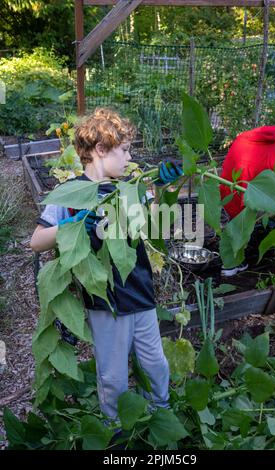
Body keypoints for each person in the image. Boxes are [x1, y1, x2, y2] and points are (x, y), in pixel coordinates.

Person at [30, 108, 183, 432]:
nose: (130, 156)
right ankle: (113, 429)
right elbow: (37, 241)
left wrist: (165, 188)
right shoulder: (70, 194)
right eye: (124, 150)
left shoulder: (128, 188)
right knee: (112, 375)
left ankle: (160, 415)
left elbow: (153, 224)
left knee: (155, 364)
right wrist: (71, 226)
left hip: (140, 291)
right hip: (105, 302)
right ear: (100, 150)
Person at [219, 125, 275, 306]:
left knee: (239, 222)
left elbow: (227, 179)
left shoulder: (243, 140)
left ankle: (231, 264)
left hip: (240, 177)